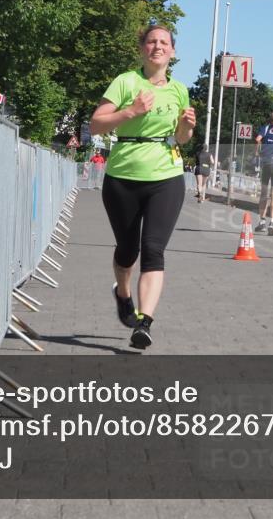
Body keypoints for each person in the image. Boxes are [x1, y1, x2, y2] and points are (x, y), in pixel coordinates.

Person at [89, 22, 195, 349]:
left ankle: (144, 323)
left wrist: (186, 128)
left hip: (166, 175)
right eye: (152, 42)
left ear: (173, 52)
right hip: (123, 176)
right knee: (128, 251)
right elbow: (95, 124)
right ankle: (123, 294)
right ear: (142, 49)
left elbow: (181, 138)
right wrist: (130, 111)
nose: (158, 47)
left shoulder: (179, 90)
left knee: (153, 250)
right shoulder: (126, 81)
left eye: (164, 42)